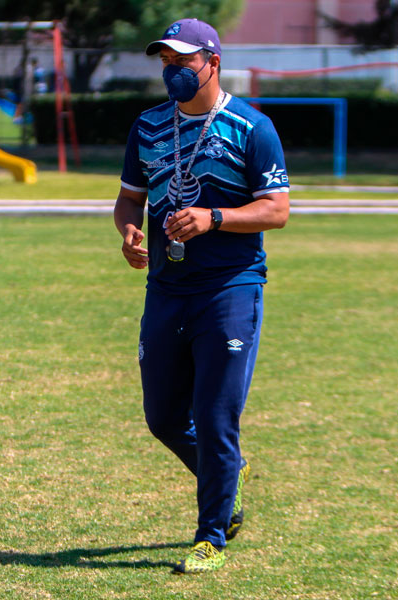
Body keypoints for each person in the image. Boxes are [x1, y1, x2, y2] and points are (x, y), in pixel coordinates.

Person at [114, 18, 290, 574]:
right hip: (167, 288)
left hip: (229, 288)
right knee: (164, 417)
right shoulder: (147, 126)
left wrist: (214, 217)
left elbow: (276, 210)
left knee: (215, 418)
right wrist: (129, 230)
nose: (172, 70)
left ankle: (211, 535)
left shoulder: (251, 127)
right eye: (165, 61)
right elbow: (129, 197)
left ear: (212, 62)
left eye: (182, 61)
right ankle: (228, 473)